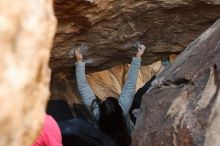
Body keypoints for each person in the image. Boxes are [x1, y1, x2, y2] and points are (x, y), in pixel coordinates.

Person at [74, 44, 145, 146]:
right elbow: (130, 85)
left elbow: (83, 88)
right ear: (118, 106)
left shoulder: (97, 113)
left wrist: (79, 62)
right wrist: (138, 57)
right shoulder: (123, 109)